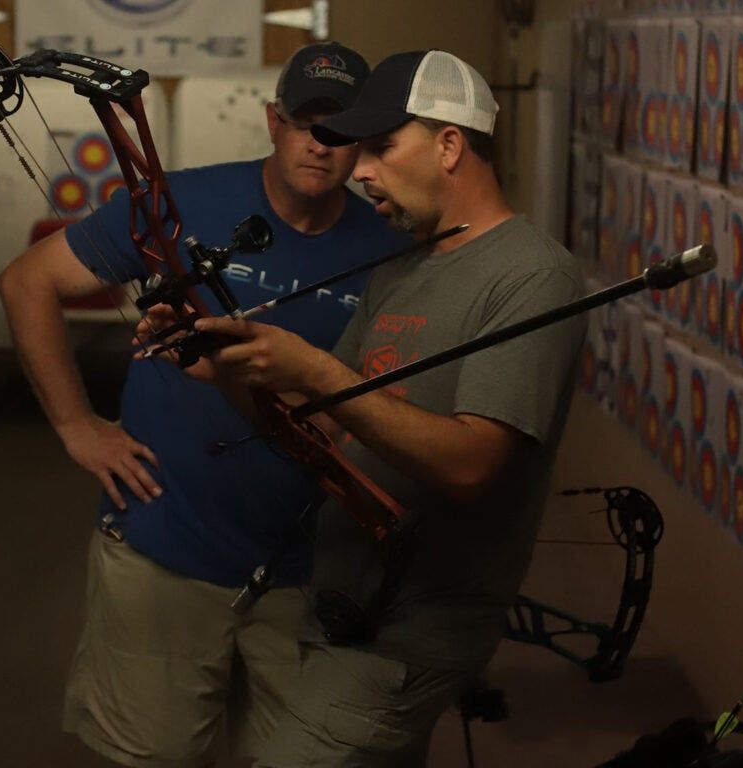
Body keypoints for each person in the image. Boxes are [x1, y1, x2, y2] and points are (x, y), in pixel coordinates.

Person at [0, 42, 409, 767]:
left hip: (308, 570)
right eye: (305, 123)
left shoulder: (391, 247)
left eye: (340, 130)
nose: (320, 144)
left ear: (363, 143)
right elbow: (28, 281)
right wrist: (76, 425)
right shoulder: (183, 203)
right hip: (166, 549)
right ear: (274, 122)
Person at [176, 50, 588, 765]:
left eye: (381, 148)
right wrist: (230, 369)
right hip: (345, 605)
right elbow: (324, 427)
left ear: (449, 145)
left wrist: (316, 369)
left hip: (410, 633)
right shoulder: (403, 265)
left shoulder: (532, 276)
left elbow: (472, 465)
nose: (359, 171)